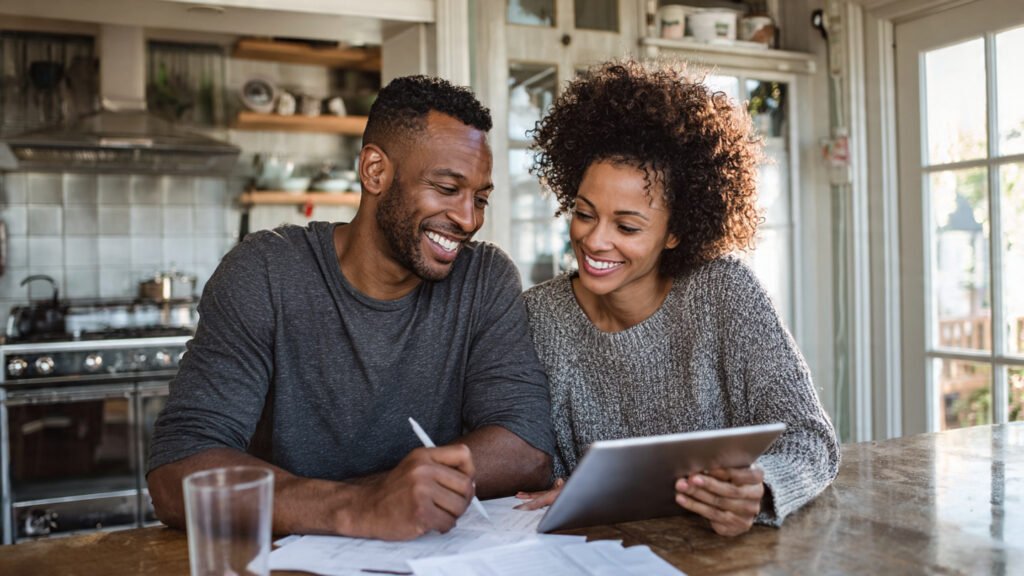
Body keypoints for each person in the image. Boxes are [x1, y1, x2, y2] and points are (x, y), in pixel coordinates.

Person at [147, 75, 555, 541]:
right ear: (375, 171)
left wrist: (386, 498)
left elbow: (526, 448)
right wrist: (360, 506)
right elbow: (176, 472)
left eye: (480, 198)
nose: (469, 219)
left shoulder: (484, 278)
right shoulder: (264, 272)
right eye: (447, 189)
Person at [514, 60, 840, 537]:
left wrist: (761, 487)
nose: (594, 240)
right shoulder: (538, 314)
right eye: (584, 214)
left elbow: (811, 438)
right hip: (595, 554)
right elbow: (541, 466)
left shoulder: (724, 292)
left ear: (676, 233)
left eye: (627, 227)